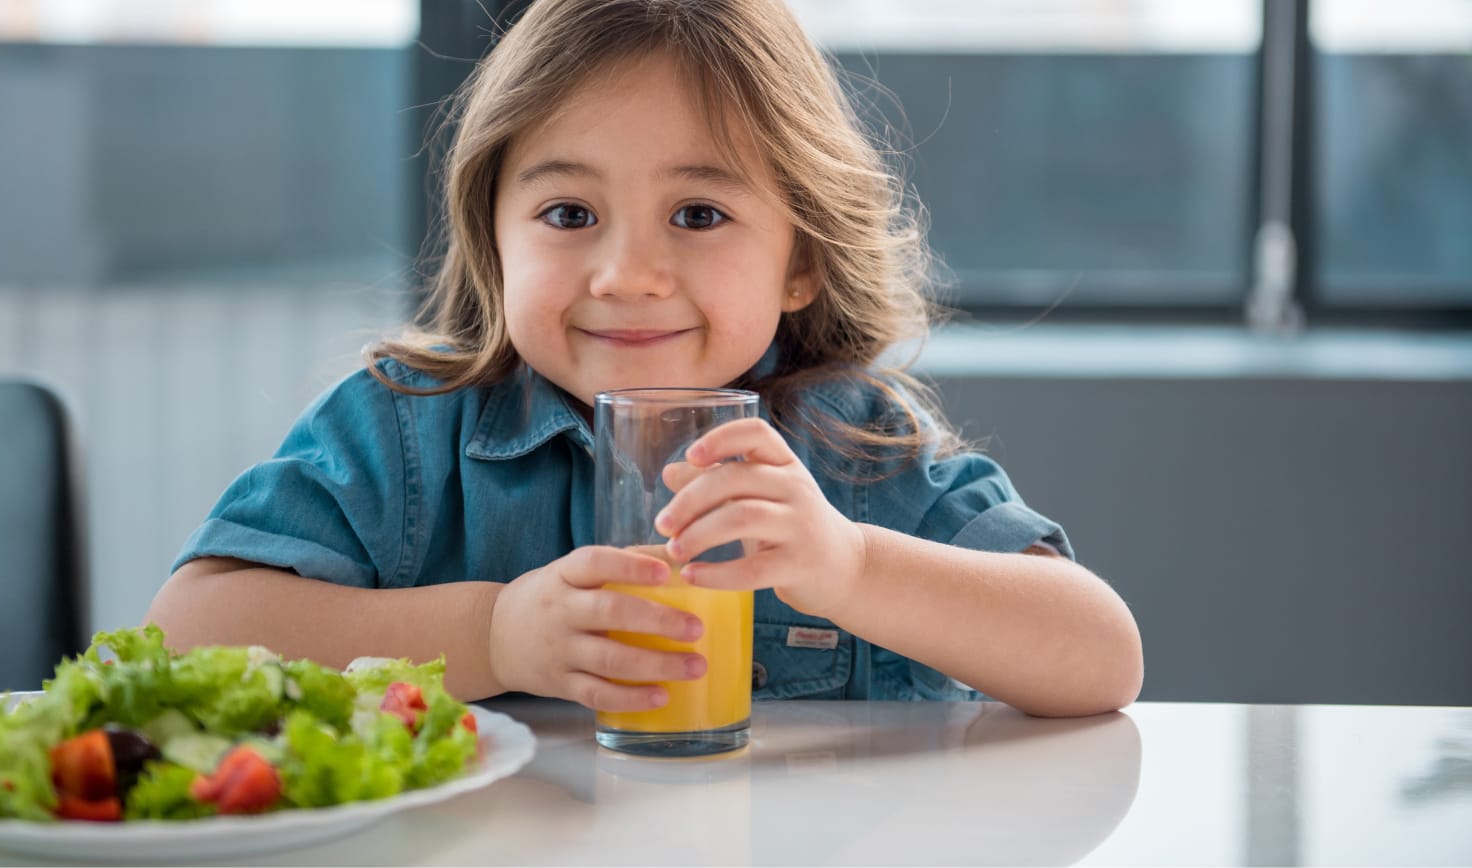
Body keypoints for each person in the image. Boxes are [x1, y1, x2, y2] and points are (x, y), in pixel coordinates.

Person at [148, 0, 1142, 718]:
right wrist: (491, 635)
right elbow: (188, 627)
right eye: (568, 213)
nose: (626, 273)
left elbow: (1099, 657)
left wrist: (847, 564)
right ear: (494, 241)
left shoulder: (853, 447)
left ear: (800, 260)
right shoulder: (404, 431)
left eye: (699, 214)